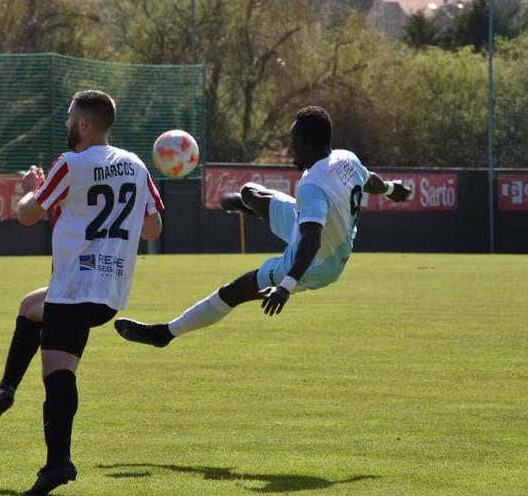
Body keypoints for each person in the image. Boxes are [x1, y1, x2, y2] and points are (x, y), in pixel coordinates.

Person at [0, 89, 164, 496]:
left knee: (57, 371)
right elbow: (153, 228)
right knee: (30, 307)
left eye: (71, 117)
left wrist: (29, 187)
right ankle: (4, 388)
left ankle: (58, 463)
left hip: (74, 284)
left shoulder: (69, 163)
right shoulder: (137, 164)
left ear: (84, 124)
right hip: (110, 289)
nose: (67, 123)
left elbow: (27, 214)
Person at [115, 105, 410, 349]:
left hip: (318, 262)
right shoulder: (346, 158)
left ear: (305, 143)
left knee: (235, 290)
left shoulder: (312, 186)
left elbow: (311, 240)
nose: (291, 150)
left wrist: (286, 286)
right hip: (309, 224)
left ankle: (164, 333)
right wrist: (391, 189)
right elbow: (369, 179)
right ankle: (250, 208)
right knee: (250, 193)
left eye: (293, 143)